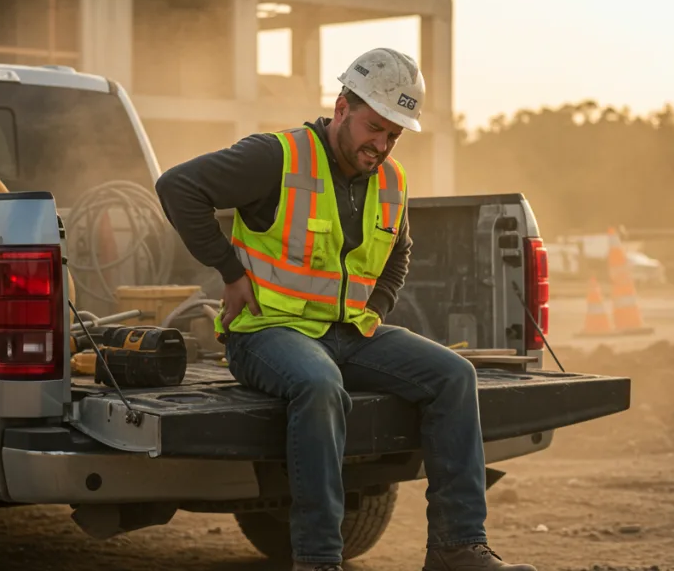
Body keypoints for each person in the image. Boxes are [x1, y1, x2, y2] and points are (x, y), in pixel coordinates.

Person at [155, 47, 536, 571]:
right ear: (341, 108)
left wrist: (377, 306)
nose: (381, 145)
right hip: (266, 331)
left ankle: (457, 547)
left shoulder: (391, 179)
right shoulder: (277, 156)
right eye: (374, 128)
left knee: (454, 375)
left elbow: (399, 251)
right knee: (319, 385)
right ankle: (318, 560)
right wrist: (230, 271)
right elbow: (178, 187)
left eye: (393, 135)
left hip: (350, 333)